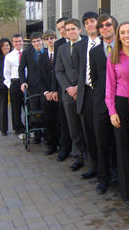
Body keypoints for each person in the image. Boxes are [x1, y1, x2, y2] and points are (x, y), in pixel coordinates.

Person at [106, 22, 129, 205]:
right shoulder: (113, 57)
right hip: (121, 104)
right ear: (118, 35)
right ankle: (128, 191)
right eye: (123, 32)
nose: (127, 35)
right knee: (123, 148)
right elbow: (109, 86)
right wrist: (112, 111)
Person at [89, 14, 118, 195]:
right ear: (98, 30)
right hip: (100, 104)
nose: (105, 28)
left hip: (121, 102)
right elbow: (94, 77)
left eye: (108, 25)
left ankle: (119, 174)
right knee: (102, 142)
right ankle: (103, 178)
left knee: (120, 143)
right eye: (101, 26)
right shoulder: (94, 52)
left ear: (114, 26)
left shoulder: (124, 49)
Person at [55, 18, 87, 172]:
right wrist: (68, 88)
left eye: (73, 29)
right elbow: (58, 71)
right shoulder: (62, 49)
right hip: (68, 95)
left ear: (79, 30)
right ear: (65, 33)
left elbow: (86, 70)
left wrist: (78, 88)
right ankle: (78, 156)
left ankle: (91, 158)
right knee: (74, 128)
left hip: (84, 93)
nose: (71, 32)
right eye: (68, 30)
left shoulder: (87, 45)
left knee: (86, 127)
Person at [72, 11, 100, 180]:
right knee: (89, 132)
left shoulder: (105, 44)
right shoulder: (79, 47)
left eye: (92, 21)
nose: (90, 24)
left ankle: (109, 167)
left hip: (102, 94)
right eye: (86, 22)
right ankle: (94, 166)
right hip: (86, 94)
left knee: (103, 133)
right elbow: (79, 70)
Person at [52, 17, 73, 162]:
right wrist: (55, 89)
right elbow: (56, 69)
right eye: (59, 29)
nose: (62, 31)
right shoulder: (58, 44)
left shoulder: (82, 40)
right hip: (63, 89)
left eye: (64, 27)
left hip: (80, 89)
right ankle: (65, 148)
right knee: (64, 121)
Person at [18, 32, 45, 143]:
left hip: (45, 86)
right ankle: (37, 136)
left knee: (46, 111)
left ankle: (48, 135)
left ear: (42, 41)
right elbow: (21, 69)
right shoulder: (26, 53)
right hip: (32, 87)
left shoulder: (48, 52)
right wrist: (23, 82)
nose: (36, 43)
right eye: (33, 41)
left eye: (38, 40)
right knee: (34, 111)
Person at [38, 30, 60, 155]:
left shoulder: (60, 53)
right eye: (47, 38)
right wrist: (46, 92)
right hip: (47, 95)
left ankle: (63, 144)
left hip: (58, 93)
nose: (49, 40)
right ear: (44, 41)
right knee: (49, 120)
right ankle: (52, 144)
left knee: (61, 120)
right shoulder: (42, 56)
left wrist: (55, 90)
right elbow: (40, 76)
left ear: (56, 39)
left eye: (52, 38)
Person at [4, 34, 25, 136]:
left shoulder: (27, 53)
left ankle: (32, 127)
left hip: (27, 82)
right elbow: (6, 73)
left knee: (29, 107)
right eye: (16, 41)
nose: (18, 43)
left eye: (19, 41)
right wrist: (10, 85)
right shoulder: (9, 56)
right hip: (15, 83)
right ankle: (19, 129)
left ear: (23, 42)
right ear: (13, 43)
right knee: (16, 108)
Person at [0, 38, 13, 136]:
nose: (6, 47)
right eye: (3, 46)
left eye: (7, 45)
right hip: (2, 87)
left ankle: (17, 127)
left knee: (16, 108)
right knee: (3, 108)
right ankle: (3, 129)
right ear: (0, 47)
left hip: (13, 86)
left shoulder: (14, 56)